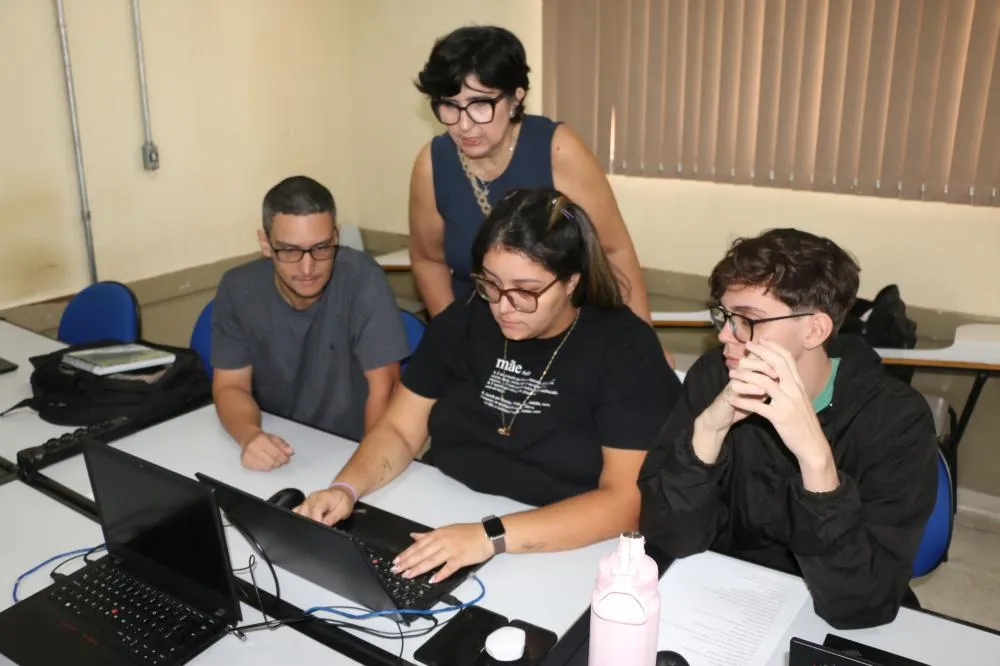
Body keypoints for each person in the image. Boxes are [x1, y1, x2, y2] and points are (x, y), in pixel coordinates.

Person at [296, 188, 681, 583]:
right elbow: (399, 429)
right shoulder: (463, 321)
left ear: (571, 282)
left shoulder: (625, 349)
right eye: (490, 284)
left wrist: (490, 536)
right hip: (446, 517)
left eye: (526, 291)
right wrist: (346, 488)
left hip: (560, 546)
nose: (503, 306)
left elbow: (623, 503)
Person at [637, 228, 938, 630]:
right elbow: (669, 540)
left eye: (747, 320)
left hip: (832, 610)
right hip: (726, 601)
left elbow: (863, 605)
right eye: (724, 316)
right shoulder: (715, 377)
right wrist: (706, 434)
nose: (725, 335)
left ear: (814, 330)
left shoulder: (896, 419)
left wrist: (817, 463)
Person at [408, 26, 672, 362]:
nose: (463, 125)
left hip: (565, 332)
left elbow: (613, 250)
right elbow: (428, 260)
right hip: (480, 331)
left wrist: (642, 344)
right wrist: (455, 335)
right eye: (450, 106)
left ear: (516, 96)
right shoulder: (433, 164)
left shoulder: (558, 149)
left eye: (480, 104)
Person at [211, 175, 410, 471]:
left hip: (355, 446)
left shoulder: (362, 279)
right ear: (265, 244)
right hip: (282, 442)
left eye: (321, 248)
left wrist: (363, 474)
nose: (308, 268)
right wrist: (250, 436)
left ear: (336, 237)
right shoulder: (237, 288)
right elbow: (230, 386)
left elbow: (384, 387)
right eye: (290, 250)